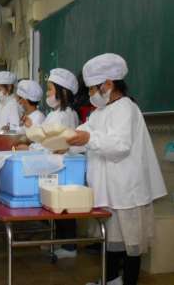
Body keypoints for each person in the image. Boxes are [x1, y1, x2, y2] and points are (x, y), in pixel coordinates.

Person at [67, 53, 167, 285]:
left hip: (127, 189)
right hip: (109, 189)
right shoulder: (99, 113)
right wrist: (66, 141)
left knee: (131, 241)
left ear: (108, 84)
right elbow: (84, 134)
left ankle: (128, 281)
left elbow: (119, 146)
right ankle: (110, 279)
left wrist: (87, 139)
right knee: (111, 239)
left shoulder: (126, 108)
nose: (91, 95)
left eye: (92, 89)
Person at [28, 68, 80, 259]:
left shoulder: (65, 114)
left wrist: (33, 147)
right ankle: (61, 241)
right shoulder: (56, 113)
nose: (47, 94)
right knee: (57, 205)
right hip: (56, 164)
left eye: (50, 89)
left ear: (63, 92)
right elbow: (45, 137)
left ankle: (69, 247)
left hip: (64, 165)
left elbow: (54, 142)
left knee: (65, 206)